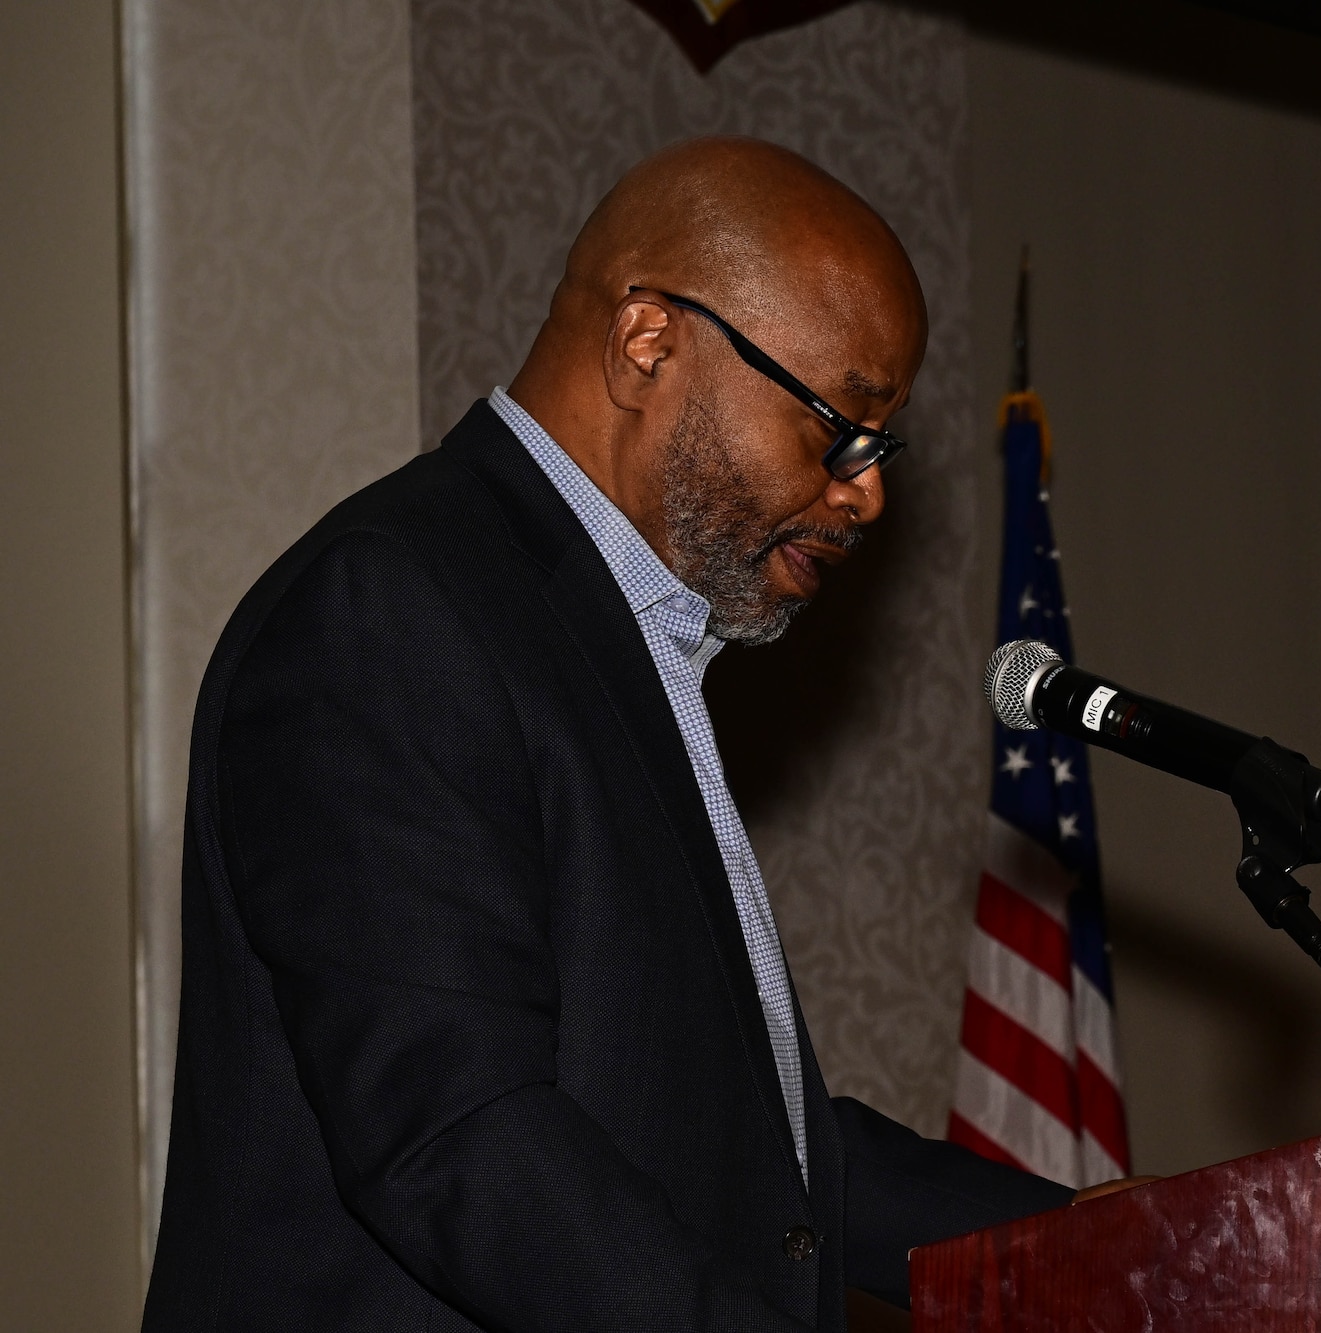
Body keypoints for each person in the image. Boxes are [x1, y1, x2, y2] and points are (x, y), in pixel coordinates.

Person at [141, 137, 1103, 1333]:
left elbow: (765, 1158)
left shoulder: (624, 642)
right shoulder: (395, 608)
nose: (866, 494)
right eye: (838, 427)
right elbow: (461, 1130)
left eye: (880, 446)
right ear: (649, 339)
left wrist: (1101, 1248)